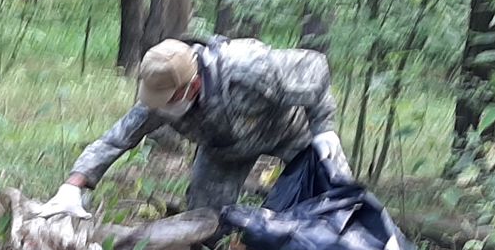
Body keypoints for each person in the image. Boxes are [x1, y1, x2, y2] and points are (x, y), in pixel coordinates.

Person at [43, 36, 349, 220]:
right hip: (224, 151)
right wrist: (72, 186)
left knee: (334, 195)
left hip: (287, 129)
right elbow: (117, 139)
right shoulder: (160, 102)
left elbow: (315, 69)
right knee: (203, 217)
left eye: (169, 99)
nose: (161, 108)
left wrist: (325, 131)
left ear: (194, 83)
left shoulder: (248, 68)